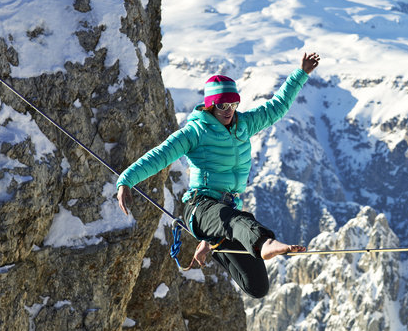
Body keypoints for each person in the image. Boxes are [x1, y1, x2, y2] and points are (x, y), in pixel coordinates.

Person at [117, 52, 320, 298]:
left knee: (257, 287)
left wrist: (301, 74)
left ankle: (216, 241)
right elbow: (161, 155)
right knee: (237, 221)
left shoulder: (244, 124)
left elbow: (277, 108)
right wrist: (127, 180)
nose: (229, 110)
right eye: (223, 105)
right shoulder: (195, 131)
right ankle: (265, 242)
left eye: (233, 104)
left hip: (227, 211)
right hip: (200, 207)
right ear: (211, 105)